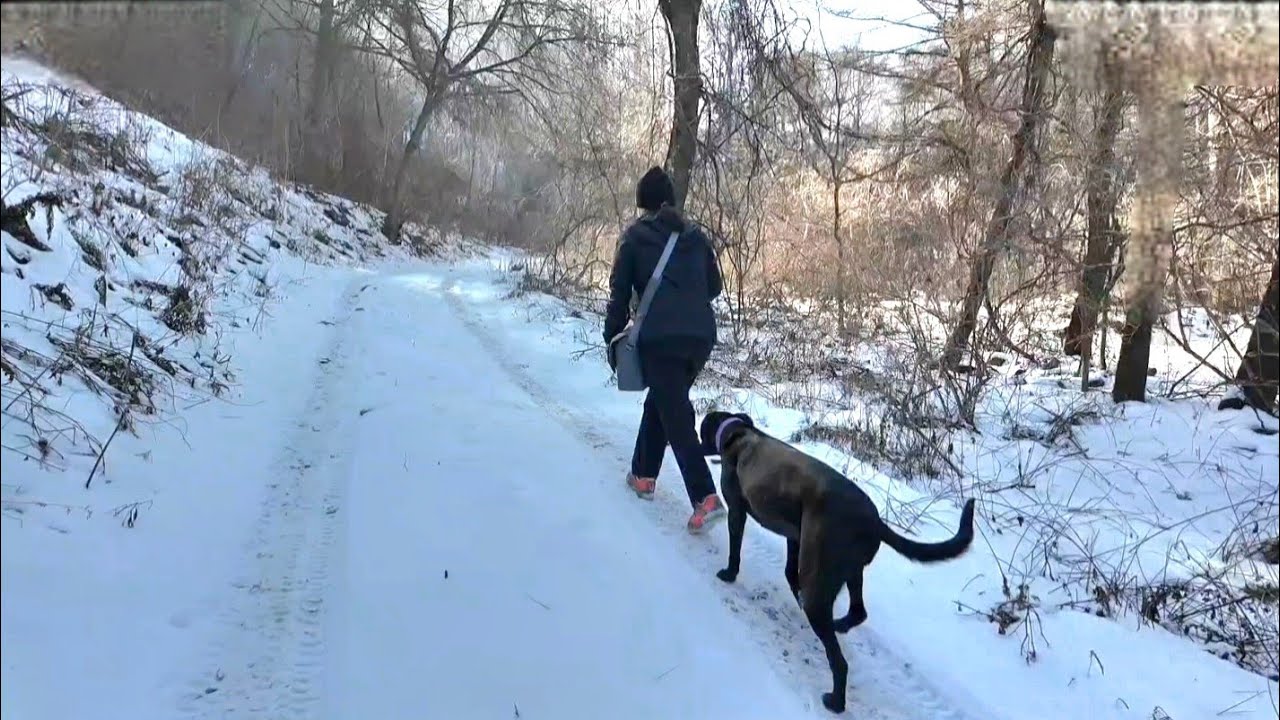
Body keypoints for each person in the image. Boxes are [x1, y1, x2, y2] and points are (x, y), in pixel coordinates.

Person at [604, 166, 727, 535]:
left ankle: (705, 497)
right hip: (701, 338)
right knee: (663, 400)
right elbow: (714, 287)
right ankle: (643, 475)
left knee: (676, 414)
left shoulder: (635, 237)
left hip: (662, 340)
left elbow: (619, 295)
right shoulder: (695, 237)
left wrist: (612, 339)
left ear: (643, 204)